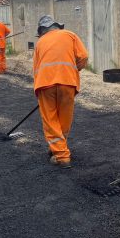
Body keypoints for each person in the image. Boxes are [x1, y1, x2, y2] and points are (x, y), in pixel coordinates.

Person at [33, 15, 88, 168]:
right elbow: (83, 57)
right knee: (64, 118)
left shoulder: (40, 43)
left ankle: (62, 156)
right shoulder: (70, 35)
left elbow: (36, 68)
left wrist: (39, 89)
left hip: (45, 84)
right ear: (56, 26)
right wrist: (73, 70)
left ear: (42, 30)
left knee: (50, 120)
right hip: (68, 83)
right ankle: (58, 148)